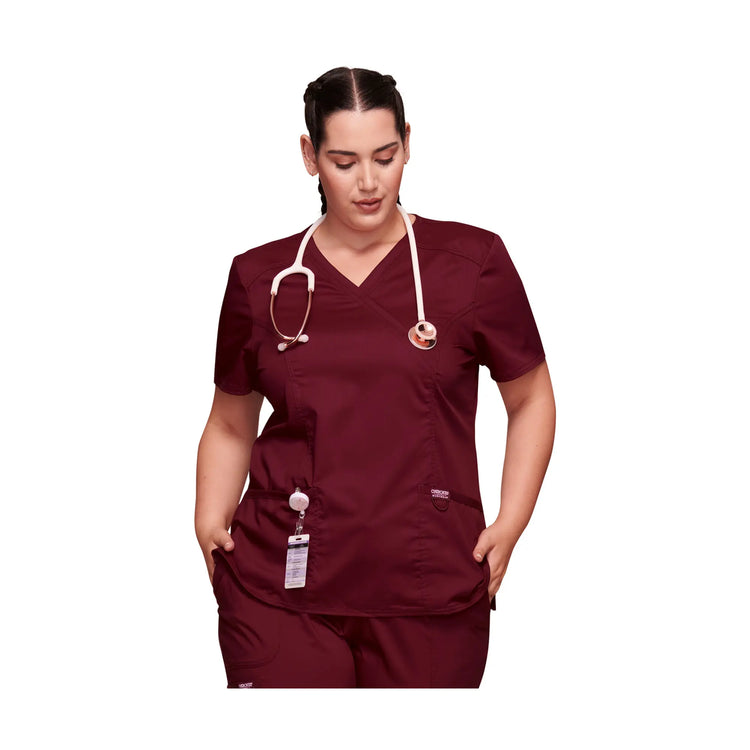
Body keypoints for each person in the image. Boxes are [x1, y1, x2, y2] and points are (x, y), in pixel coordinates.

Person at [195, 66, 556, 689]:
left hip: (429, 584)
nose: (368, 182)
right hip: (278, 583)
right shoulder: (260, 278)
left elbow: (531, 398)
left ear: (407, 144)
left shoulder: (472, 265)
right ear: (309, 156)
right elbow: (231, 421)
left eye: (385, 157)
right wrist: (207, 520)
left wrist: (512, 520)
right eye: (344, 162)